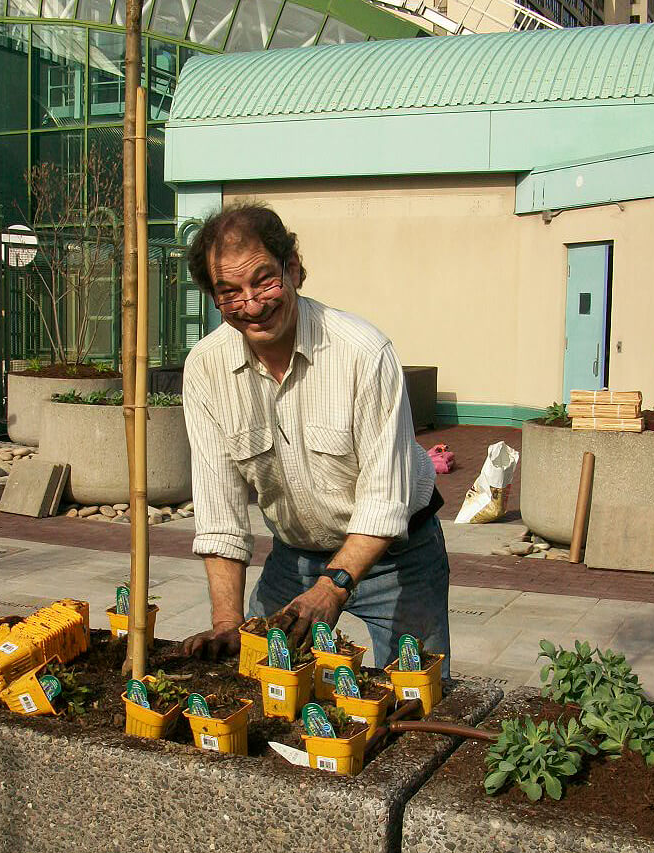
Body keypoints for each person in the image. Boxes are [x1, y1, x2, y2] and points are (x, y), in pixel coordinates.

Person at [178, 202, 450, 675]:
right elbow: (219, 511)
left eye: (264, 279)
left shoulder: (363, 353)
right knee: (263, 681)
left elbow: (385, 500)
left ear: (294, 269)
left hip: (401, 554)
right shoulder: (206, 368)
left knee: (415, 697)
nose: (253, 304)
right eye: (230, 292)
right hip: (295, 555)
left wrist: (333, 586)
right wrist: (226, 621)